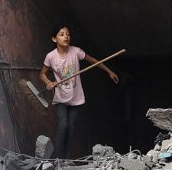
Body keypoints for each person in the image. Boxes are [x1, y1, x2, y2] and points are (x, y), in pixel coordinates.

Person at [40, 26, 119, 160]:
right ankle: (57, 159)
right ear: (54, 38)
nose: (66, 37)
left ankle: (67, 160)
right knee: (63, 125)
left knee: (71, 128)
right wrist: (48, 82)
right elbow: (42, 74)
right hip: (61, 98)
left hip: (76, 99)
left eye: (68, 34)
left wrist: (109, 71)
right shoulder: (51, 56)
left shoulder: (76, 52)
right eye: (62, 34)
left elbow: (93, 61)